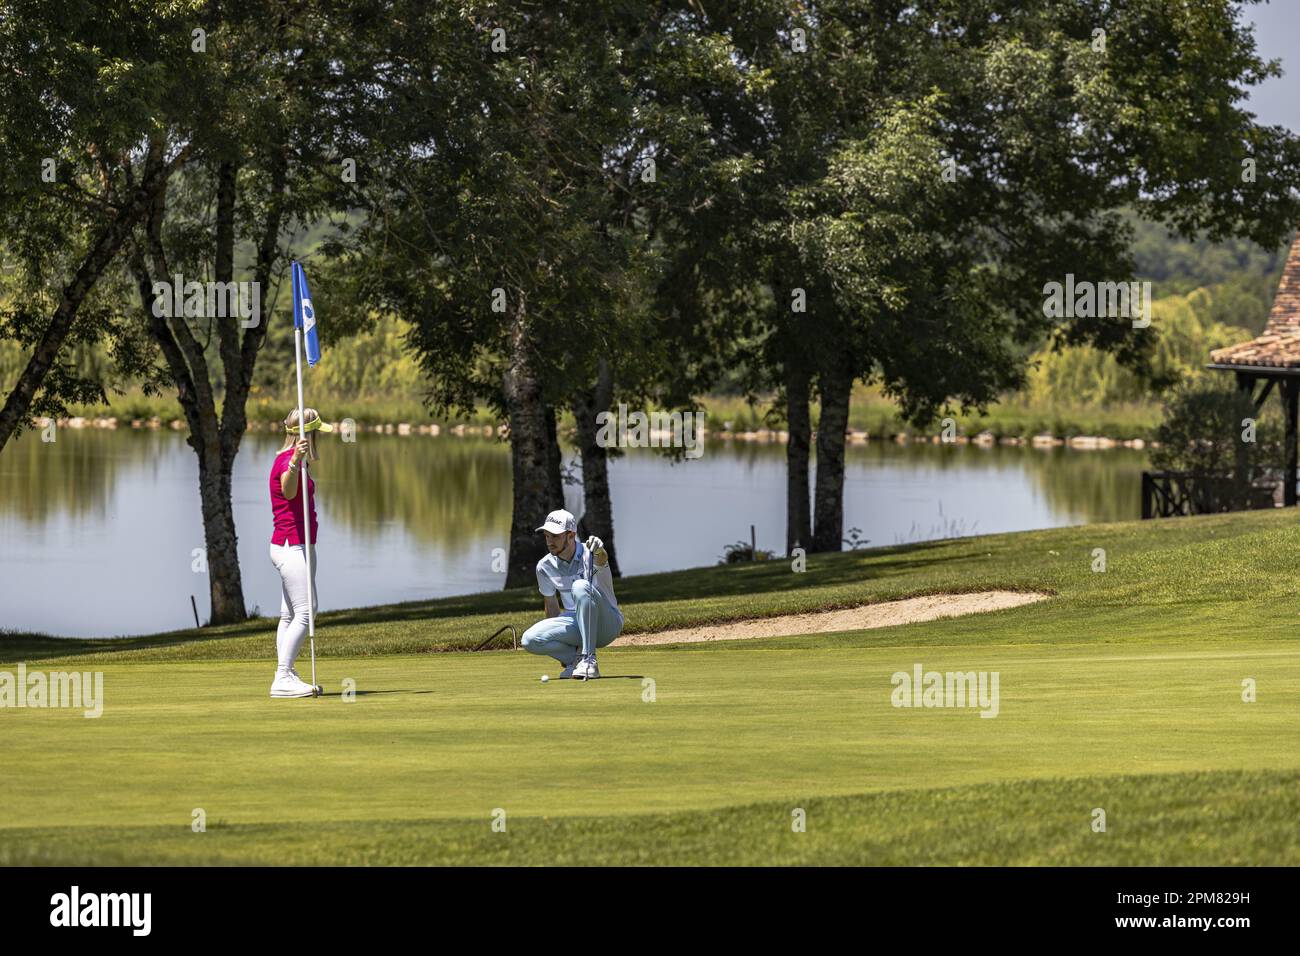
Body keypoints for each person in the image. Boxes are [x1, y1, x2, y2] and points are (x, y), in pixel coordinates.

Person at [268, 407, 333, 698]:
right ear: (308, 434)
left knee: (289, 614)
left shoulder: (298, 462)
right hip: (291, 545)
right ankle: (282, 677)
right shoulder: (287, 461)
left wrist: (299, 461)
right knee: (308, 611)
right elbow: (289, 491)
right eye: (318, 432)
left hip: (298, 546)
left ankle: (286, 673)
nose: (320, 438)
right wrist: (295, 459)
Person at [521, 509, 623, 680]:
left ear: (570, 535)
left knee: (580, 586)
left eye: (555, 536)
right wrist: (563, 651)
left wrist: (599, 550)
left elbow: (602, 560)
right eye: (547, 536)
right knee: (530, 640)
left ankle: (589, 661)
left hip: (607, 624)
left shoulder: (591, 553)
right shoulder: (544, 567)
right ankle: (574, 661)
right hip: (575, 624)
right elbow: (552, 609)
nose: (549, 541)